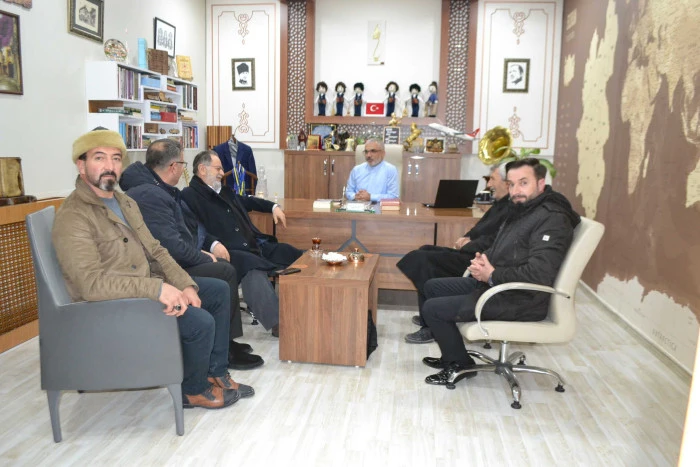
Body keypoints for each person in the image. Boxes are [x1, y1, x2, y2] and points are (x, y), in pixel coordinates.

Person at [53, 128, 253, 409]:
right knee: (200, 322)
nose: (109, 166)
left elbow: (156, 249)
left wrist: (184, 283)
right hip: (112, 307)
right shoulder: (73, 216)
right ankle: (192, 390)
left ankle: (215, 372)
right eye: (99, 158)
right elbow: (91, 285)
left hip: (141, 290)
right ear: (81, 165)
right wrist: (158, 289)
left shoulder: (124, 202)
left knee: (217, 291)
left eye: (115, 158)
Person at [419, 158, 581, 387]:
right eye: (512, 184)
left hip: (521, 298)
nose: (516, 191)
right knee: (432, 287)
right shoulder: (523, 210)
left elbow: (540, 273)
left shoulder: (552, 219)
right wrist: (483, 260)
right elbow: (506, 247)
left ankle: (459, 364)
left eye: (523, 183)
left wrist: (492, 274)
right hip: (500, 287)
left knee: (433, 309)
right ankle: (451, 355)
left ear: (541, 183)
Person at [119, 138, 264, 370]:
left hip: (180, 256)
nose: (183, 170)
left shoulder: (162, 189)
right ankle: (224, 348)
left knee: (226, 266)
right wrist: (204, 257)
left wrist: (210, 245)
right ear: (173, 167)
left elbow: (191, 227)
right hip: (166, 267)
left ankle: (227, 342)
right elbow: (171, 246)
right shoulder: (150, 195)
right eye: (182, 164)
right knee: (225, 271)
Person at [181, 150, 304, 337]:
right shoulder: (189, 195)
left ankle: (305, 310)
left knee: (294, 255)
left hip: (255, 244)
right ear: (202, 169)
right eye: (218, 168)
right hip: (229, 251)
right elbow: (192, 228)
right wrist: (213, 244)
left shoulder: (224, 191)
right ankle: (278, 323)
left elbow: (248, 201)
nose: (222, 173)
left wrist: (273, 207)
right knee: (251, 268)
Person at [399, 163, 511, 343]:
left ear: (507, 183)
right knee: (425, 250)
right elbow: (480, 228)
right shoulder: (501, 203)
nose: (489, 184)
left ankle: (431, 327)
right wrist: (467, 237)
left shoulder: (512, 208)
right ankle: (428, 315)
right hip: (471, 252)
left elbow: (496, 240)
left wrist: (470, 243)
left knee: (421, 260)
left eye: (492, 179)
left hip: (479, 261)